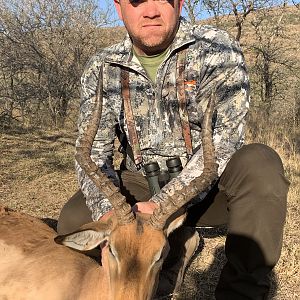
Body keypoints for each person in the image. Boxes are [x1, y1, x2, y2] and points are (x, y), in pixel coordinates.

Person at [57, 0, 289, 299]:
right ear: (119, 7)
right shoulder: (103, 65)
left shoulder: (216, 49)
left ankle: (241, 292)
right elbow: (92, 152)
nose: (151, 11)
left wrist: (163, 205)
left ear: (180, 3)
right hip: (140, 185)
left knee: (261, 164)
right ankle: (174, 248)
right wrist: (108, 215)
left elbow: (224, 142)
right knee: (74, 221)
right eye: (137, 1)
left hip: (208, 190)